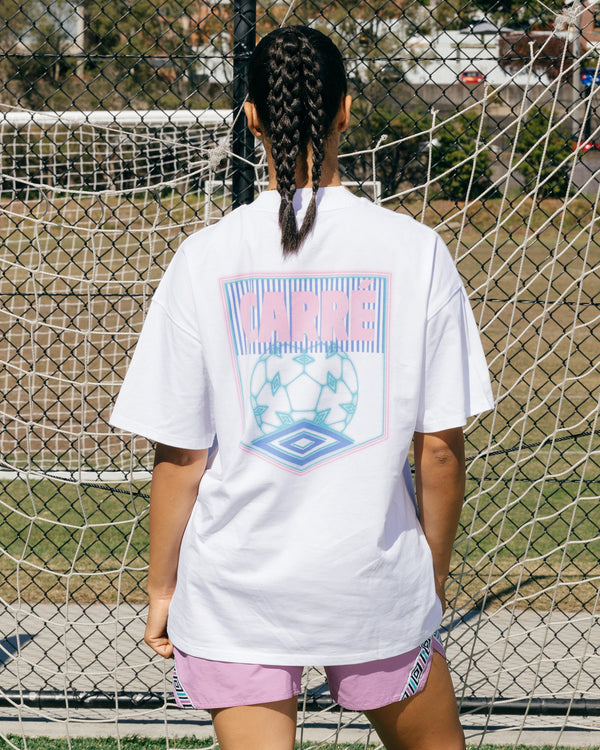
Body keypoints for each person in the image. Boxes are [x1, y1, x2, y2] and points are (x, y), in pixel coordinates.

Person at [109, 25, 494, 750]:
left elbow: (181, 458)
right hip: (371, 580)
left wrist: (162, 588)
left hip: (236, 591)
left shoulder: (203, 258)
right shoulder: (416, 251)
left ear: (251, 118)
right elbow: (440, 450)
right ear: (347, 109)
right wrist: (429, 580)